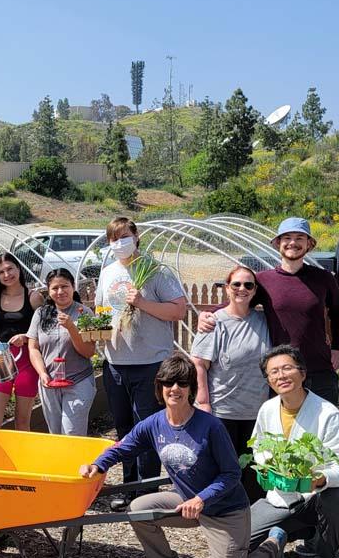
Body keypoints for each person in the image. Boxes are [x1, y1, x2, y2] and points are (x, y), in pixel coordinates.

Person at [78, 354, 287, 558]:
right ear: (159, 388)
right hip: (186, 502)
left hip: (225, 511)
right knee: (138, 509)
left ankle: (272, 547)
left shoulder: (210, 426)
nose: (174, 389)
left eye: (182, 383)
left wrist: (202, 499)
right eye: (168, 383)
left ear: (191, 389)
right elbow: (124, 447)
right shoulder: (154, 424)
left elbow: (232, 474)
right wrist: (98, 465)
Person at [247, 345, 339, 558]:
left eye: (287, 368)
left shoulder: (328, 414)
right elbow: (257, 447)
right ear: (269, 380)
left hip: (316, 495)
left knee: (337, 498)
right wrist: (269, 465)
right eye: (273, 372)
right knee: (241, 541)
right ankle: (288, 536)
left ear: (303, 373)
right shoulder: (268, 409)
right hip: (281, 495)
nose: (281, 376)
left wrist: (319, 479)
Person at [198, 217, 339, 403]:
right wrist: (209, 312)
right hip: (280, 372)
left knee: (322, 428)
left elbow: (338, 311)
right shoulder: (264, 281)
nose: (293, 243)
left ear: (309, 244)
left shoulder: (323, 278)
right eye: (287, 238)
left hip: (318, 369)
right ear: (278, 243)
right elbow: (239, 301)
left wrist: (338, 348)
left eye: (300, 238)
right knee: (282, 430)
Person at [96, 217, 188, 511]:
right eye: (113, 238)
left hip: (150, 363)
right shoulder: (108, 272)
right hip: (115, 362)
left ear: (136, 237)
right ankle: (128, 486)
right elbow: (101, 308)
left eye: (125, 236)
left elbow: (179, 310)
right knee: (123, 429)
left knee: (146, 427)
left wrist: (141, 303)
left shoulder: (156, 270)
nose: (119, 242)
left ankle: (147, 490)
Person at [190, 265, 271, 502]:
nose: (242, 289)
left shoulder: (264, 320)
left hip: (257, 410)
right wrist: (203, 402)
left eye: (248, 285)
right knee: (225, 470)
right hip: (223, 410)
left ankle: (252, 522)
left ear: (255, 290)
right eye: (236, 284)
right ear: (227, 288)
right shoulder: (214, 322)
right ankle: (223, 518)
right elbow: (199, 364)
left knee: (255, 470)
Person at [27, 268, 97, 435]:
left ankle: (77, 462)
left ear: (73, 286)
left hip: (78, 381)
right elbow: (33, 347)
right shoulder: (41, 314)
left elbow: (88, 352)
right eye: (55, 288)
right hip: (49, 383)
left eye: (65, 286)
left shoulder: (84, 313)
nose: (60, 292)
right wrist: (42, 373)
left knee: (72, 434)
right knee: (56, 435)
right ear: (48, 291)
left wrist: (72, 328)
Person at [0, 252, 45, 429]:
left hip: (26, 362)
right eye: (1, 272)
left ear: (19, 269)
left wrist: (26, 337)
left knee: (22, 422)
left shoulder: (34, 298)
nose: (7, 275)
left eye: (10, 269)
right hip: (1, 362)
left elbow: (46, 331)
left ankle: (23, 457)